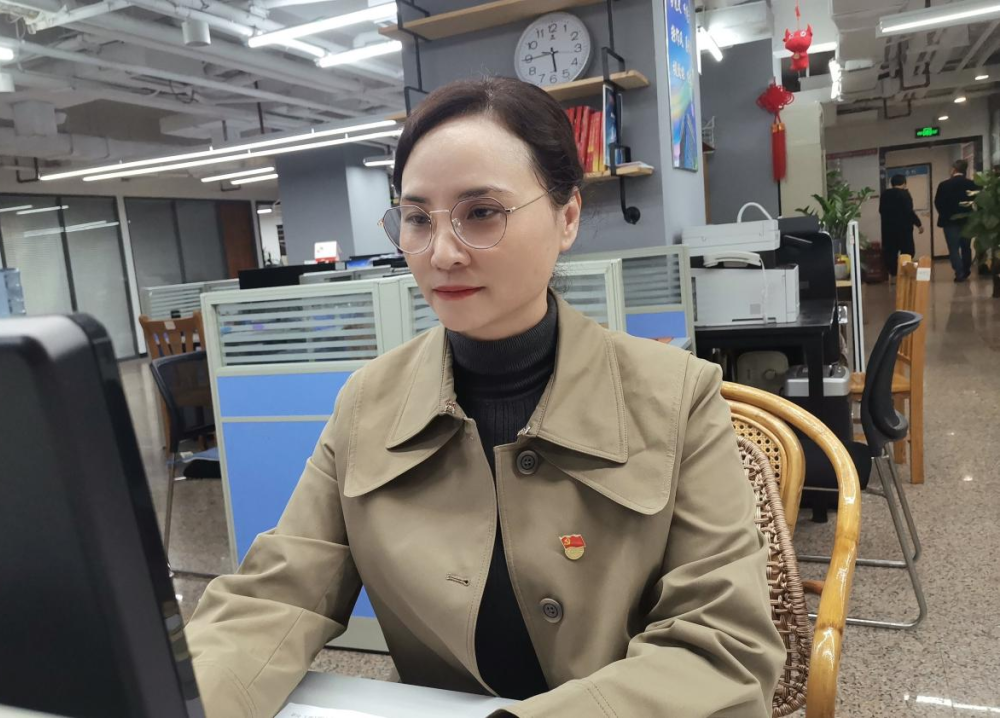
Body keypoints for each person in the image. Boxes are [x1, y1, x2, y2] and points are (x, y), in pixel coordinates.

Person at [185, 76, 785, 718]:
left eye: (481, 213)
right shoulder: (368, 405)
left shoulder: (678, 395)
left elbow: (723, 647)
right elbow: (274, 597)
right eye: (417, 218)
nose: (441, 253)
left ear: (567, 217)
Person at [934, 158, 977, 282]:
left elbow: (938, 202)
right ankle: (966, 270)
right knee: (966, 247)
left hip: (950, 222)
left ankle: (959, 273)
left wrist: (945, 214)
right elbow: (977, 202)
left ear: (954, 169)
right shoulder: (972, 184)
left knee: (953, 249)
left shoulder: (944, 185)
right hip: (968, 221)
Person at [878, 173, 923, 277]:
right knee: (907, 252)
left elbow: (881, 211)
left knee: (890, 253)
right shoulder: (905, 194)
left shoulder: (885, 195)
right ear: (904, 183)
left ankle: (894, 273)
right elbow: (909, 212)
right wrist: (918, 224)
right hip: (904, 229)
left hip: (888, 229)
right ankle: (904, 273)